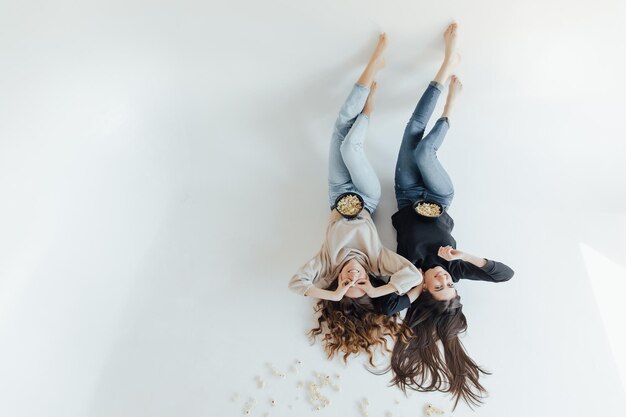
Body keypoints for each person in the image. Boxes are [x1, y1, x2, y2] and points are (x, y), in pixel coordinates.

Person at [388, 23, 515, 408]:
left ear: (426, 290)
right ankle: (450, 106)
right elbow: (504, 274)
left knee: (411, 132)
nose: (444, 279)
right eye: (450, 285)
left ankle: (445, 69)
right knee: (426, 153)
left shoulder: (409, 273)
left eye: (438, 285)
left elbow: (389, 306)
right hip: (439, 199)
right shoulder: (456, 268)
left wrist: (413, 293)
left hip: (407, 197)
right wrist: (464, 257)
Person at [288, 33, 423, 365]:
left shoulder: (327, 264)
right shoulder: (378, 262)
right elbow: (414, 277)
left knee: (339, 128)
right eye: (360, 281)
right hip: (365, 197)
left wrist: (333, 292)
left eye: (348, 282)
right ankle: (374, 66)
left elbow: (297, 283)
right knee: (350, 146)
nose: (353, 276)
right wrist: (377, 290)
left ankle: (368, 97)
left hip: (336, 194)